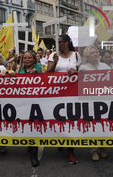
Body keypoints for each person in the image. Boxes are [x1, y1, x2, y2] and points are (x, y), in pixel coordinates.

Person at [47, 34, 81, 165]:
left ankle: (70, 151)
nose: (57, 44)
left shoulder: (76, 56)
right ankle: (60, 140)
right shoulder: (53, 55)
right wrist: (54, 62)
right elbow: (48, 73)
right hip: (56, 94)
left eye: (59, 42)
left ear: (66, 43)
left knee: (70, 121)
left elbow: (81, 71)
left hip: (72, 94)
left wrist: (75, 71)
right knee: (58, 119)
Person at [79, 46, 110, 161]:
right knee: (92, 125)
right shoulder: (84, 67)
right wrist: (80, 74)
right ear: (87, 56)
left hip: (103, 100)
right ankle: (93, 150)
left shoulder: (105, 66)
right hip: (89, 101)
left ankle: (102, 147)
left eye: (96, 52)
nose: (95, 54)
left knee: (102, 124)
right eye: (92, 53)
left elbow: (112, 78)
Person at [17, 51, 42, 167]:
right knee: (27, 125)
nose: (27, 60)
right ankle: (30, 145)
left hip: (36, 103)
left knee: (34, 126)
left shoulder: (39, 69)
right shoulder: (19, 71)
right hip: (23, 103)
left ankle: (34, 154)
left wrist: (38, 75)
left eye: (29, 58)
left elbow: (47, 80)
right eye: (25, 58)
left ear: (33, 59)